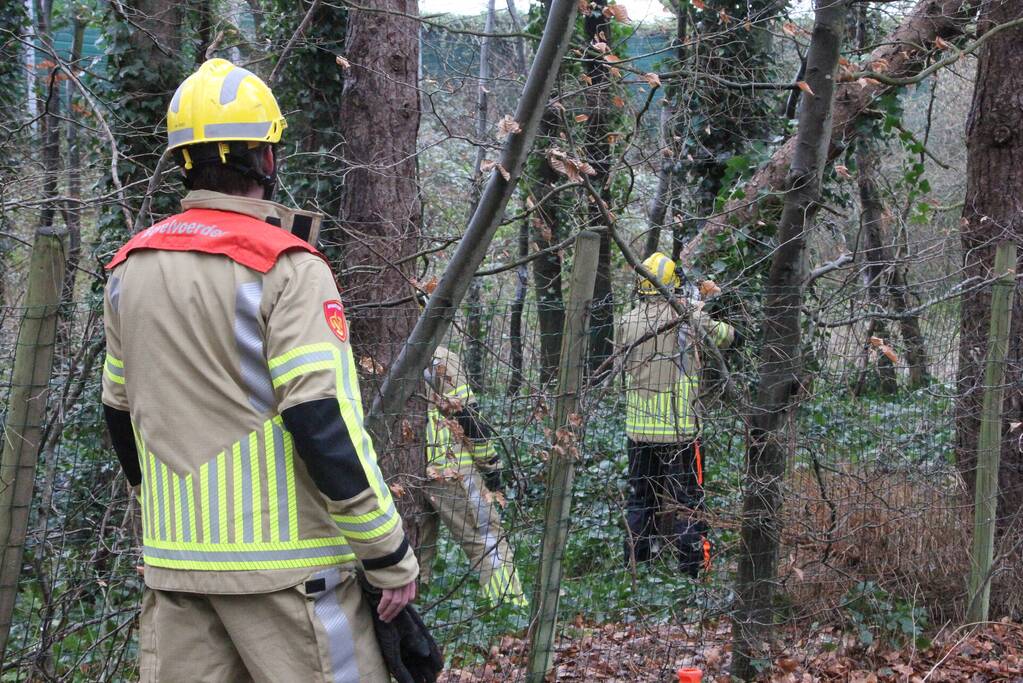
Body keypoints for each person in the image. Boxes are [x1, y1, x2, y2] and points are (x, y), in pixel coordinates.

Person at [101, 59, 420, 682]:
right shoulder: (287, 268)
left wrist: (167, 516)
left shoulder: (128, 269)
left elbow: (119, 415)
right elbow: (322, 421)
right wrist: (387, 553)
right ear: (266, 158)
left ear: (182, 160)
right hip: (290, 576)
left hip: (176, 569)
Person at [616, 252, 734, 577]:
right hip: (681, 431)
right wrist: (704, 306)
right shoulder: (687, 316)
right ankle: (693, 571)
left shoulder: (626, 321)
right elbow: (727, 337)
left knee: (641, 501)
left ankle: (637, 568)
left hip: (639, 431)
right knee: (689, 503)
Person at [417, 344, 528, 607]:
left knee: (415, 545)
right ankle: (508, 606)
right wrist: (490, 464)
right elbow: (467, 416)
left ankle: (413, 613)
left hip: (405, 471)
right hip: (450, 467)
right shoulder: (438, 356)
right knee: (485, 537)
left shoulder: (377, 351)